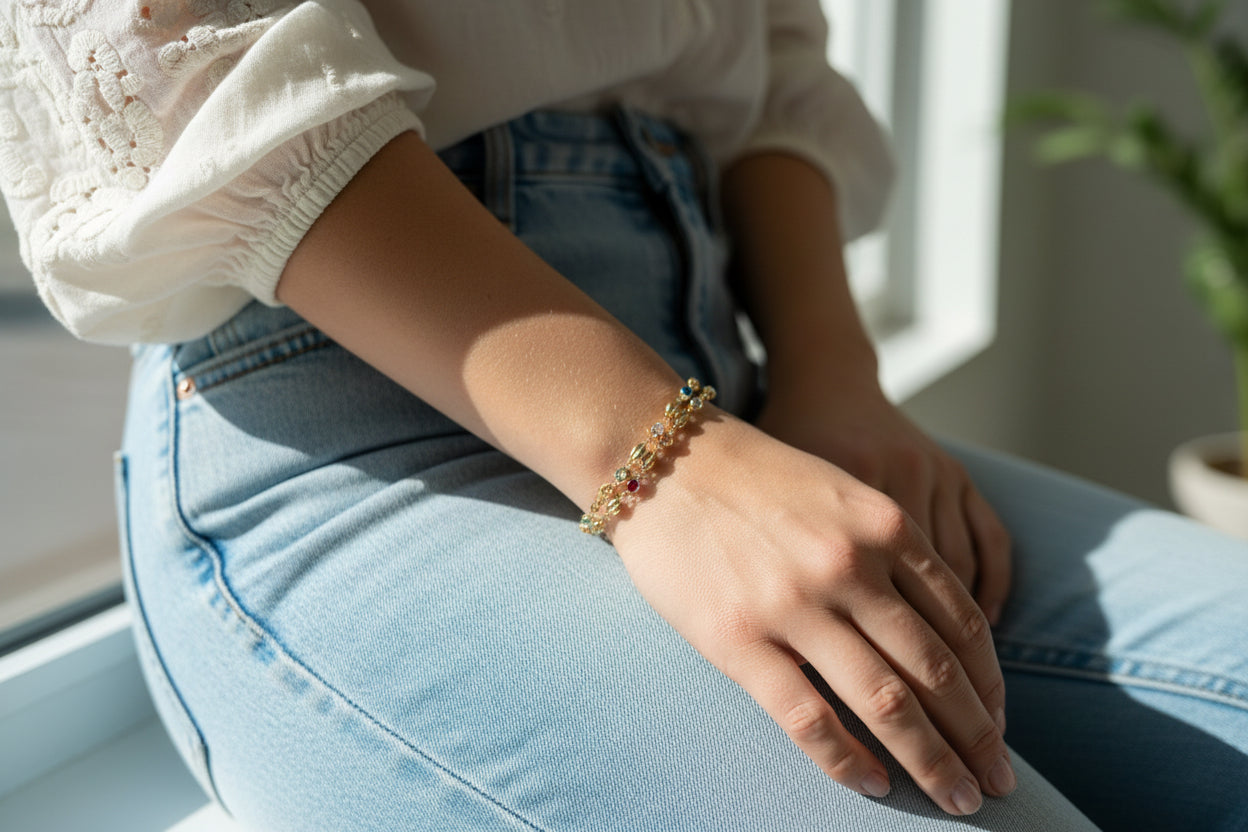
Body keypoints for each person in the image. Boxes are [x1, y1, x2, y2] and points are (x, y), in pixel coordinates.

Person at [2, 2, 1246, 830]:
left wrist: (835, 370)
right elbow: (163, 59)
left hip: (729, 358)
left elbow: (768, 48)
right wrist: (667, 460)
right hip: (355, 398)